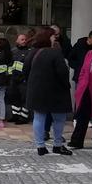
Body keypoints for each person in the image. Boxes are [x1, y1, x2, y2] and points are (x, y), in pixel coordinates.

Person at [24, 27, 73, 156]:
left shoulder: (32, 52)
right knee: (59, 118)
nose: (54, 38)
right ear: (47, 38)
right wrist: (66, 86)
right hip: (55, 91)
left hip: (36, 90)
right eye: (52, 36)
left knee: (39, 117)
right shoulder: (55, 53)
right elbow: (62, 72)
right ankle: (57, 144)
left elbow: (25, 70)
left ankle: (40, 146)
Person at [8, 34, 31, 124]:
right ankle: (15, 115)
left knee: (24, 98)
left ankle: (24, 117)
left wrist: (24, 76)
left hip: (24, 79)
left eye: (25, 39)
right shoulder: (13, 51)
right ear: (17, 41)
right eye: (22, 39)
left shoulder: (29, 52)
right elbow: (9, 64)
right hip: (14, 79)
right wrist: (10, 76)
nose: (24, 41)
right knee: (14, 97)